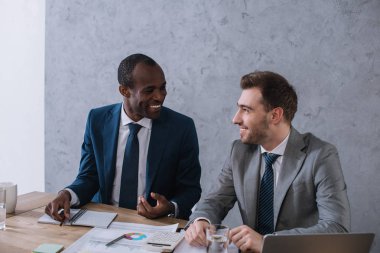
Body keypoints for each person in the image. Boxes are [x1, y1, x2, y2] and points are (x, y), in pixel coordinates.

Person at [185, 71, 350, 253]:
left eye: (246, 110)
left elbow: (337, 228)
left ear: (275, 115)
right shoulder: (239, 151)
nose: (235, 119)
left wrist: (267, 242)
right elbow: (216, 200)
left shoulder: (321, 156)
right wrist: (202, 220)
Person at [45, 53, 201, 221]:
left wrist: (170, 207)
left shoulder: (181, 127)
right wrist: (67, 194)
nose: (160, 96)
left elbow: (190, 189)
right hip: (105, 221)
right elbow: (88, 176)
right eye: (149, 90)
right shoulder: (97, 120)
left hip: (157, 224)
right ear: (124, 90)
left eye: (162, 87)